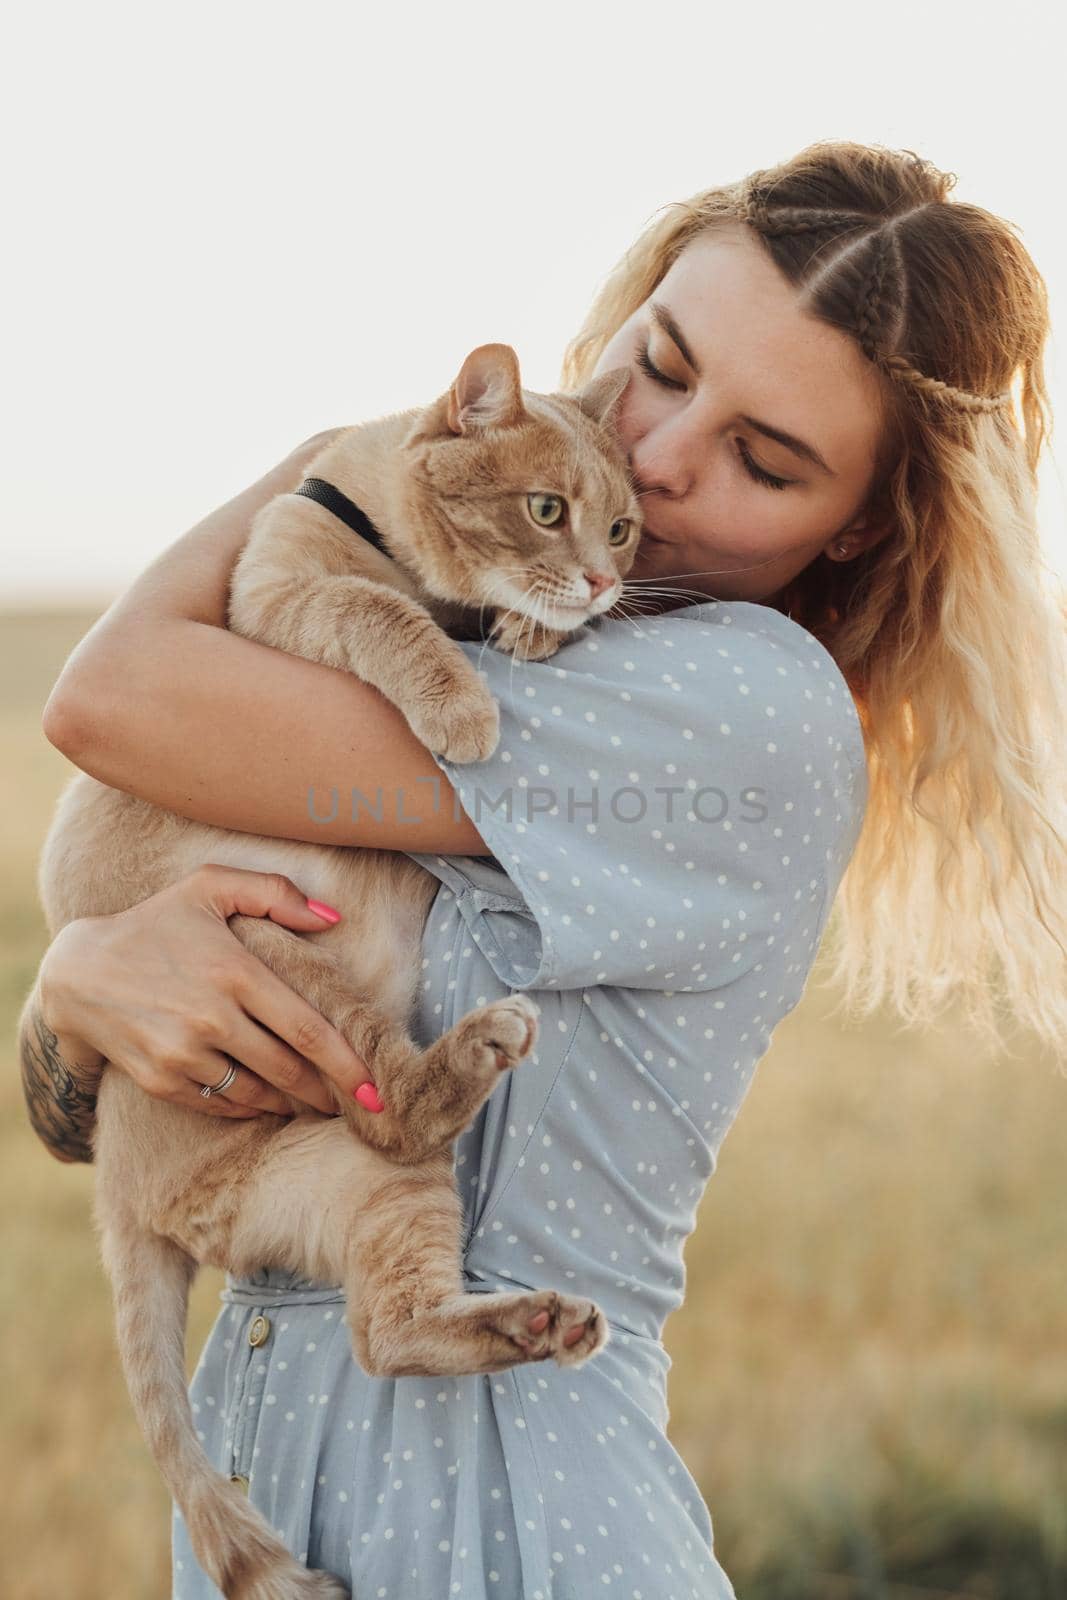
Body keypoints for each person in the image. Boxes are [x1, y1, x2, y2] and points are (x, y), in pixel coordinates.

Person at [20, 142, 1065, 1598]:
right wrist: (75, 1002)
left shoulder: (745, 705)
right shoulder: (504, 625)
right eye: (662, 364)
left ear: (864, 524)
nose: (657, 456)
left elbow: (110, 703)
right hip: (266, 1502)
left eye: (764, 459)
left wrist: (359, 456)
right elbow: (153, 1102)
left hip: (510, 1532)